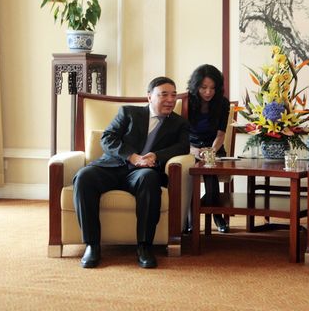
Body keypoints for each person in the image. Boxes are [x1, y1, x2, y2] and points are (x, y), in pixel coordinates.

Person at [72, 77, 190, 269]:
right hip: (112, 166)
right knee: (84, 177)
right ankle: (92, 245)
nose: (170, 100)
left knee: (150, 179)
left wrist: (156, 156)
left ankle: (144, 246)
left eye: (173, 95)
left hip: (142, 173)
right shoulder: (129, 113)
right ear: (149, 97)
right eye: (164, 95)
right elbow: (107, 138)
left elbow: (182, 147)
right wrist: (132, 157)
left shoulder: (179, 123)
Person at [187, 64, 231, 233]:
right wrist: (194, 151)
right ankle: (194, 218)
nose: (208, 92)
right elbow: (179, 134)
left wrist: (211, 151)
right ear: (196, 86)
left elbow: (221, 134)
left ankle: (214, 215)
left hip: (214, 146)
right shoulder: (186, 102)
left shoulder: (222, 103)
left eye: (212, 88)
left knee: (210, 167)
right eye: (203, 87)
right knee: (194, 171)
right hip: (189, 147)